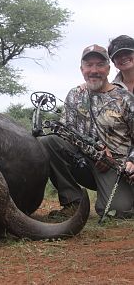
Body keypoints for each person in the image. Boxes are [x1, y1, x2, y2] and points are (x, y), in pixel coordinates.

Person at [39, 44, 134, 220]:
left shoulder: (125, 98)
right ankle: (72, 203)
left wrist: (131, 160)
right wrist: (94, 149)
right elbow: (65, 133)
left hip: (115, 167)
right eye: (89, 65)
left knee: (117, 212)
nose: (94, 70)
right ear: (82, 69)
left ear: (108, 68)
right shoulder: (75, 94)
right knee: (48, 142)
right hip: (83, 161)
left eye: (99, 65)